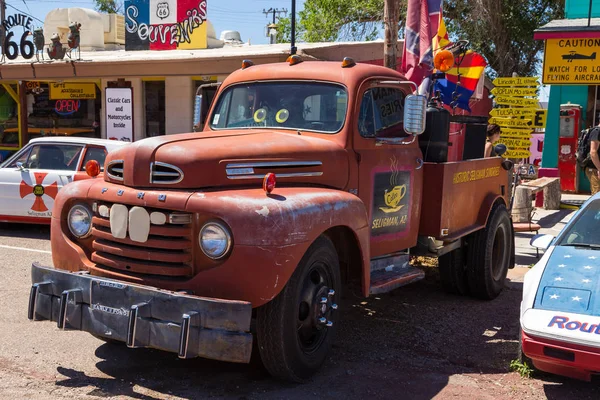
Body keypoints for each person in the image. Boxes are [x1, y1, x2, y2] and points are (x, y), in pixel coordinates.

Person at [585, 122, 600, 195]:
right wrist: (599, 168)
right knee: (597, 195)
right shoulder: (597, 132)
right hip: (594, 168)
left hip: (597, 168)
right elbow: (593, 152)